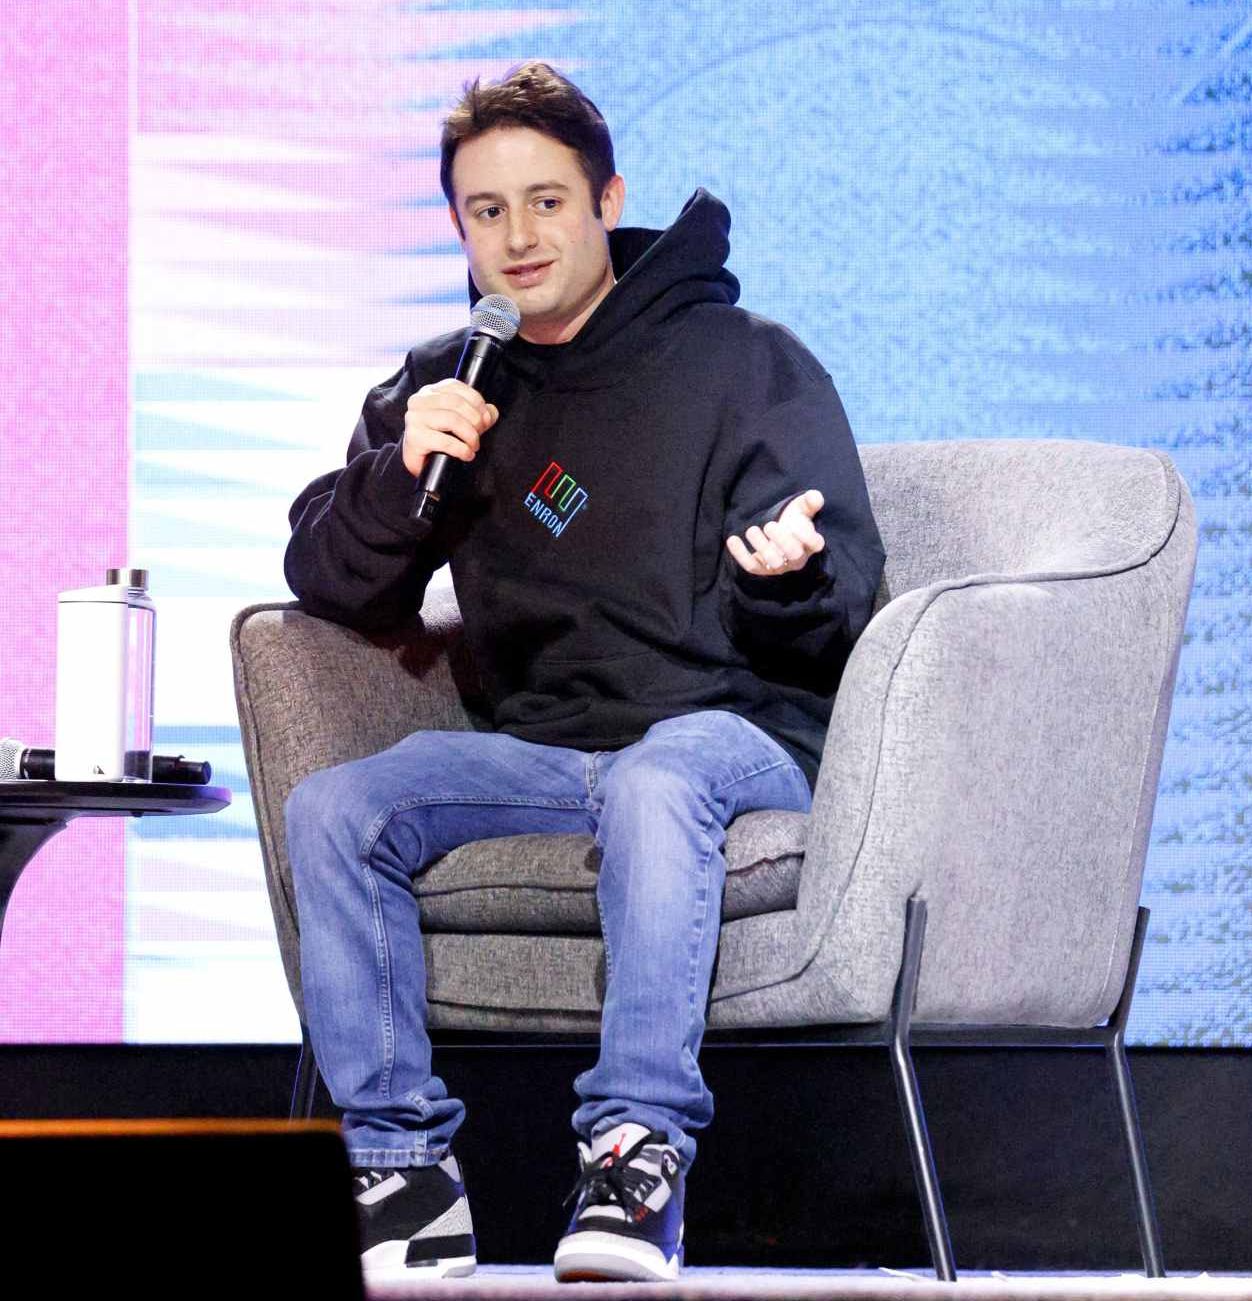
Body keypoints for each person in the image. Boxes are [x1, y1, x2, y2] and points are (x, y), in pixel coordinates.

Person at [283, 62, 885, 1285]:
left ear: (607, 201)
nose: (518, 236)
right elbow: (332, 585)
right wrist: (397, 481)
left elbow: (844, 607)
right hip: (549, 751)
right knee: (336, 807)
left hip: (732, 732)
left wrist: (784, 578)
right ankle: (401, 1171)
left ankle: (632, 1152)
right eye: (487, 210)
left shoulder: (742, 363)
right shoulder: (446, 384)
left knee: (657, 780)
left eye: (547, 202)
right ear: (458, 226)